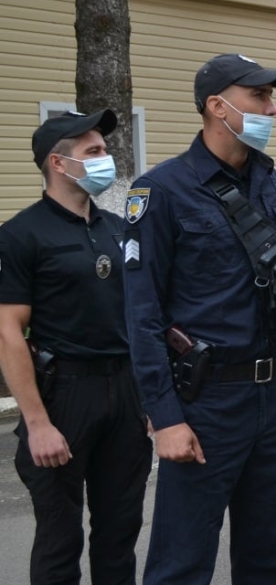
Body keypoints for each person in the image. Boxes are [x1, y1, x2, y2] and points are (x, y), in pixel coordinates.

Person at [123, 53, 276, 584]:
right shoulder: (161, 190)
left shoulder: (274, 185)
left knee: (265, 556)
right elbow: (141, 316)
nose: (272, 109)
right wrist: (164, 417)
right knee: (181, 563)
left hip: (274, 393)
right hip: (206, 402)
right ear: (217, 106)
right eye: (260, 97)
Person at [0, 110, 151, 584]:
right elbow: (8, 332)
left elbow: (141, 315)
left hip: (124, 389)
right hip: (64, 394)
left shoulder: (117, 227)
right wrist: (38, 422)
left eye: (104, 150)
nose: (105, 159)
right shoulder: (21, 235)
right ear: (58, 164)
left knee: (120, 529)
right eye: (94, 152)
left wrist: (151, 398)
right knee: (60, 537)